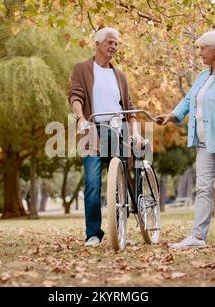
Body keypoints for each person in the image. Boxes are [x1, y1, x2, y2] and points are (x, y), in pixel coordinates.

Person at [156, 30, 215, 249]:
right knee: (203, 189)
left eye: (202, 49)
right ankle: (198, 237)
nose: (199, 53)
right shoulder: (202, 76)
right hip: (203, 144)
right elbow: (189, 100)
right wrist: (173, 115)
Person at [68, 27, 144, 247]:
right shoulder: (82, 69)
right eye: (110, 42)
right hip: (91, 129)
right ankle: (93, 233)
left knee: (120, 182)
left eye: (117, 44)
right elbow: (75, 95)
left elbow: (129, 108)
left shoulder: (119, 75)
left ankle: (120, 230)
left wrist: (136, 133)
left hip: (118, 129)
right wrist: (81, 118)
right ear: (98, 44)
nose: (114, 47)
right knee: (92, 183)